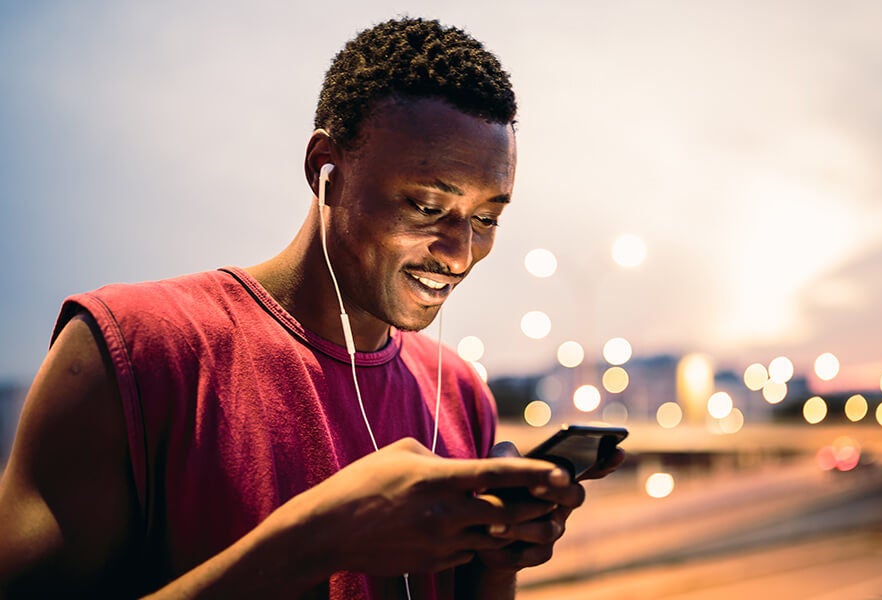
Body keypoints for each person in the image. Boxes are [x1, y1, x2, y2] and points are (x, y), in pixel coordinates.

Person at [0, 17, 623, 599]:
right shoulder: (132, 350)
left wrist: (495, 563)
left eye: (486, 218)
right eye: (428, 208)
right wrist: (318, 542)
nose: (460, 253)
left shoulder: (461, 395)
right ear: (326, 169)